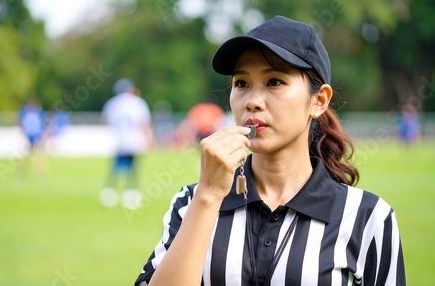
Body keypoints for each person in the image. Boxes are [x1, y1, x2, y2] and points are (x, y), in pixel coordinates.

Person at [135, 15, 406, 285]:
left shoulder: (368, 216)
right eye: (241, 83)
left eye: (274, 81)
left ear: (318, 101)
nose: (252, 102)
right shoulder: (191, 201)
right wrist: (208, 196)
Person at [101, 78, 154, 209]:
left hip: (119, 141)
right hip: (134, 141)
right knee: (132, 170)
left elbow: (106, 120)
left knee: (116, 168)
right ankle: (130, 195)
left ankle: (110, 193)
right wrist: (149, 139)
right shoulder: (138, 103)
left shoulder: (113, 103)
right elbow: (144, 123)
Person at [18, 98, 48, 177]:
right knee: (37, 155)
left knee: (35, 155)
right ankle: (39, 172)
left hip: (34, 136)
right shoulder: (36, 114)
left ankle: (38, 172)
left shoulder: (27, 113)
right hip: (34, 136)